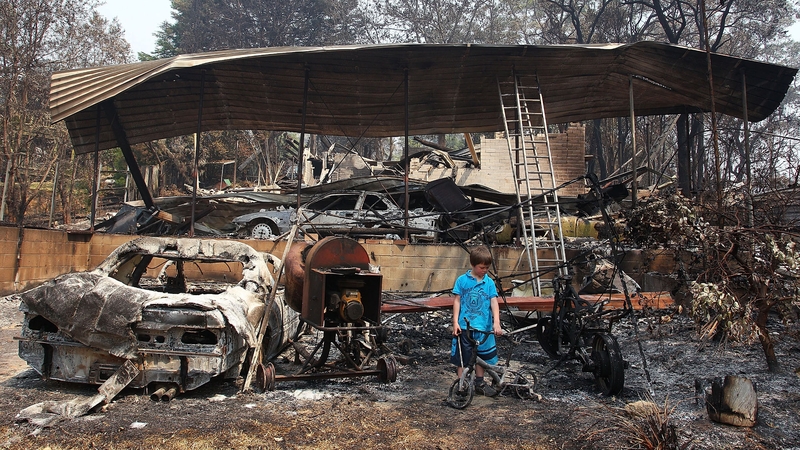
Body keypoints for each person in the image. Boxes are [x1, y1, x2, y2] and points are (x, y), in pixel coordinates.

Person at [451, 246, 503, 396]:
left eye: (487, 267)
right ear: (473, 265)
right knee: (463, 357)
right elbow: (457, 302)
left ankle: (479, 382)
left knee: (482, 356)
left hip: (484, 328)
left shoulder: (489, 283)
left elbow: (494, 302)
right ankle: (462, 384)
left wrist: (496, 322)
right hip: (465, 327)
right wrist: (455, 322)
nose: (485, 270)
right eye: (482, 267)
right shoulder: (462, 281)